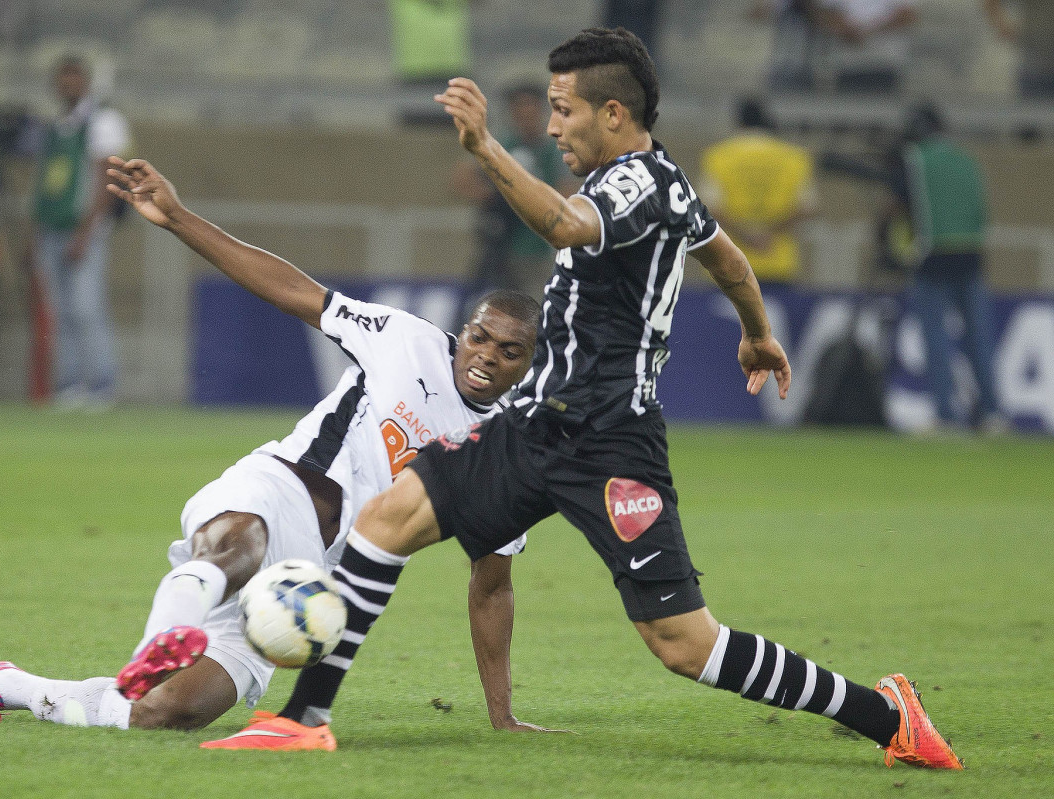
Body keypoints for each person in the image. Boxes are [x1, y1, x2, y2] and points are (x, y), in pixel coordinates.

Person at [216, 27, 964, 771]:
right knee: (387, 520)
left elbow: (562, 222)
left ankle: (887, 712)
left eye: (562, 109)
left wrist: (485, 148)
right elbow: (728, 257)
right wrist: (758, 332)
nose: (550, 126)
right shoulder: (664, 184)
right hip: (536, 424)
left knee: (684, 644)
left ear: (613, 114)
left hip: (611, 443)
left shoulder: (635, 182)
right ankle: (304, 717)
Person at [0, 159, 551, 734]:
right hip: (279, 489)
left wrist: (503, 717)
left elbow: (491, 587)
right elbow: (294, 290)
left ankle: (8, 685)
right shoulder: (405, 339)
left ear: (528, 364)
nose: (486, 355)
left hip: (311, 587)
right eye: (479, 337)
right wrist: (179, 220)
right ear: (462, 331)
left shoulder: (503, 454)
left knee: (167, 713)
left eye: (508, 350)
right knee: (239, 546)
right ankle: (161, 640)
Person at [887, 103, 1007, 434]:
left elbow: (900, 204)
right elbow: (982, 212)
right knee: (978, 339)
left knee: (936, 338)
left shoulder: (915, 159)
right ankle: (993, 413)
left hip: (934, 256)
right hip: (972, 254)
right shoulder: (967, 160)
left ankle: (946, 414)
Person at [32, 54, 130, 409]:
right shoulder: (58, 125)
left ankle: (102, 384)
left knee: (87, 306)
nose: (67, 84)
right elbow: (48, 183)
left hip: (82, 230)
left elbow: (105, 180)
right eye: (62, 77)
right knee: (61, 311)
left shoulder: (104, 121)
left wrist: (86, 233)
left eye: (73, 77)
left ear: (87, 81)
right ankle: (69, 385)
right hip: (52, 227)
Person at [450, 83, 577, 300]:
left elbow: (567, 193)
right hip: (499, 246)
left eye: (531, 109)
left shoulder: (553, 149)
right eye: (520, 109)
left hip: (536, 249)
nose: (526, 115)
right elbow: (461, 179)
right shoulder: (500, 144)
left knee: (534, 305)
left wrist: (534, 203)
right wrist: (492, 197)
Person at [698, 96, 818, 289]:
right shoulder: (795, 158)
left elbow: (710, 209)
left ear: (739, 122)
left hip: (727, 263)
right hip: (778, 263)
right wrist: (768, 234)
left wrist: (746, 236)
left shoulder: (718, 156)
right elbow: (806, 209)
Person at [814, 0, 918, 95]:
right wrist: (848, 31)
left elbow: (908, 15)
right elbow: (824, 13)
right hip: (846, 63)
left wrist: (868, 32)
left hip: (885, 63)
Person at [984, 0, 1054, 100]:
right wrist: (1002, 26)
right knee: (1032, 111)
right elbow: (991, 3)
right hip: (1036, 70)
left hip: (1035, 68)